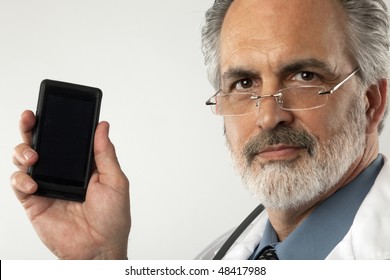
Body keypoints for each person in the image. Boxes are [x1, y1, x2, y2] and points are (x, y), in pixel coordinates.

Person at [10, 0, 390, 260]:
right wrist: (100, 261)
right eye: (244, 84)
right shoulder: (216, 256)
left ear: (372, 101)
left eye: (305, 76)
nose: (269, 116)